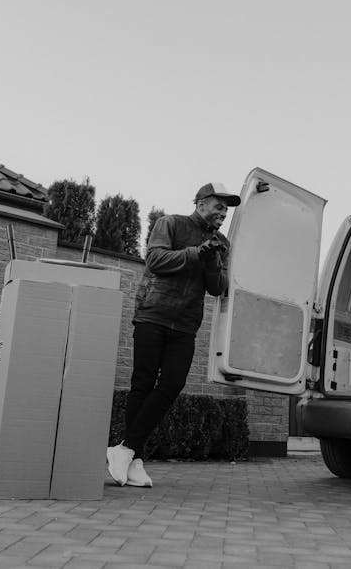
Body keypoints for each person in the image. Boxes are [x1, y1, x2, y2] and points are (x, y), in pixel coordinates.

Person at [106, 182, 241, 487]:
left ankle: (125, 449)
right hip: (153, 314)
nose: (223, 213)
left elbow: (218, 287)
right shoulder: (171, 224)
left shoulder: (221, 243)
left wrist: (210, 261)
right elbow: (155, 261)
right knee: (142, 385)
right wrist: (196, 253)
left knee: (172, 383)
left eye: (227, 209)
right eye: (219, 206)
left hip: (185, 323)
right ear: (201, 203)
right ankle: (135, 459)